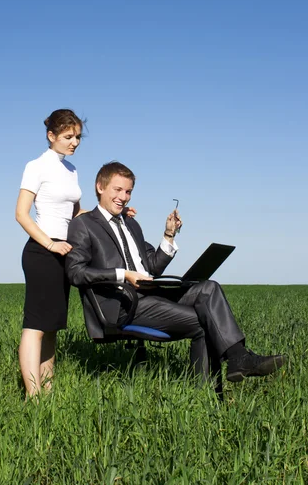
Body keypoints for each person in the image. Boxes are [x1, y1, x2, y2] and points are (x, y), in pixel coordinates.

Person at [65, 161, 286, 387]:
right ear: (100, 187)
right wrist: (124, 275)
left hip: (151, 295)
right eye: (117, 189)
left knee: (209, 287)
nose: (124, 196)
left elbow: (153, 267)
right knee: (205, 322)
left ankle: (239, 358)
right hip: (123, 305)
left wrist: (169, 235)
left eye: (128, 191)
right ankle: (206, 396)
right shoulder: (83, 225)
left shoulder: (132, 225)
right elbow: (75, 272)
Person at [15, 108, 85, 398]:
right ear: (51, 135)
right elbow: (21, 214)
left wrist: (113, 211)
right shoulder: (37, 166)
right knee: (36, 325)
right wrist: (50, 244)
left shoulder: (71, 170)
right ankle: (33, 395)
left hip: (64, 252)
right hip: (42, 252)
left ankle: (48, 390)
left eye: (78, 137)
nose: (75, 142)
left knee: (53, 325)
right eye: (68, 136)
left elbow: (77, 213)